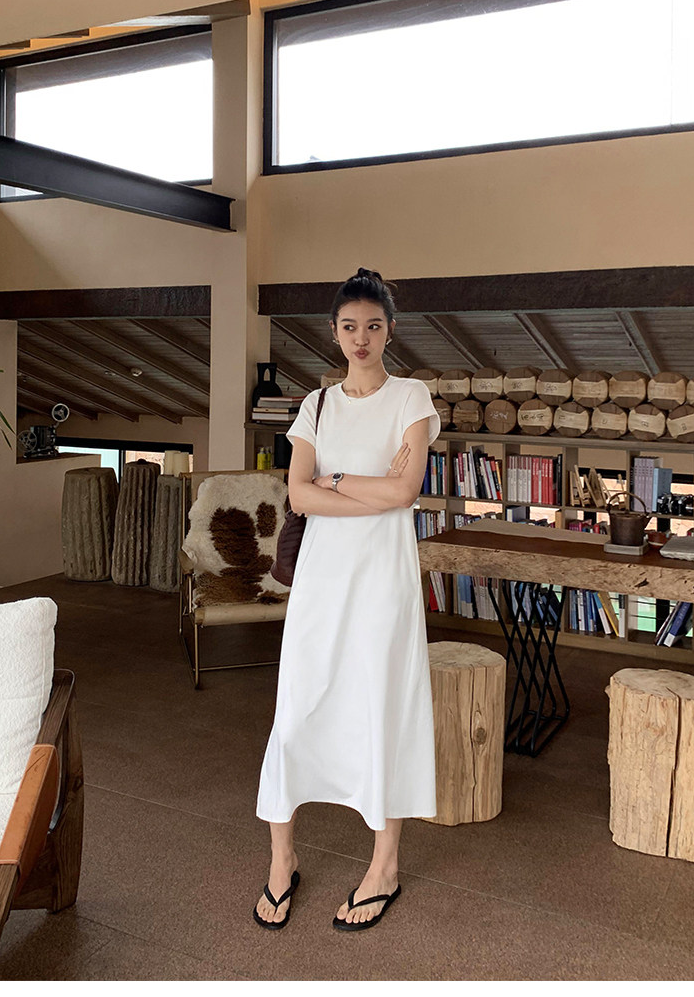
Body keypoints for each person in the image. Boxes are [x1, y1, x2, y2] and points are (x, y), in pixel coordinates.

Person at [254, 268, 441, 932]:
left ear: (389, 331)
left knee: (379, 708)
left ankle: (384, 867)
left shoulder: (411, 397)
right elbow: (298, 494)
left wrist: (333, 480)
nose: (361, 337)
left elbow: (405, 492)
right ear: (334, 332)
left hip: (382, 581)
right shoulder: (317, 404)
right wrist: (358, 486)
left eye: (373, 325)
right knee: (295, 711)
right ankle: (282, 859)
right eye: (349, 326)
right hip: (321, 582)